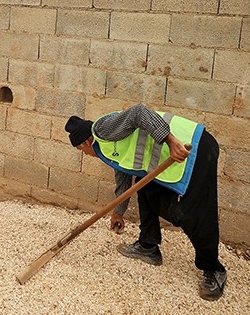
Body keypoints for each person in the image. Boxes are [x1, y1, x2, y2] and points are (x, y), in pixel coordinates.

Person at [64, 103, 227, 301]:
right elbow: (124, 174)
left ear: (84, 143)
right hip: (179, 152)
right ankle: (148, 246)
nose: (85, 155)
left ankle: (214, 269)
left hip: (194, 148)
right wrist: (119, 212)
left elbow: (138, 112)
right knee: (144, 187)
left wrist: (170, 141)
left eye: (82, 151)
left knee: (192, 213)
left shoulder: (103, 130)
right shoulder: (105, 145)